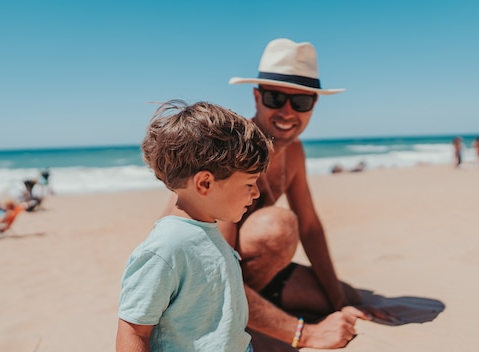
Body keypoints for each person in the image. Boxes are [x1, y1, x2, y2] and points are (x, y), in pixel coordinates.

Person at [224, 38, 389, 350]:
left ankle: (256, 308)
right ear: (257, 97)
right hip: (199, 278)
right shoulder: (233, 149)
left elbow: (311, 227)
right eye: (276, 98)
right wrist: (303, 333)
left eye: (300, 102)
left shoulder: (293, 153)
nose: (288, 112)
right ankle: (232, 317)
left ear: (314, 105)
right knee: (278, 226)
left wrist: (339, 305)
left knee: (349, 297)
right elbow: (211, 263)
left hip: (249, 274)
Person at [116, 100, 272, 352]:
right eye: (249, 184)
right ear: (205, 184)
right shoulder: (166, 247)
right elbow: (134, 330)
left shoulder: (208, 231)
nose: (255, 194)